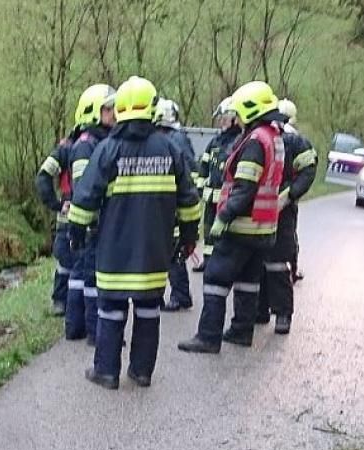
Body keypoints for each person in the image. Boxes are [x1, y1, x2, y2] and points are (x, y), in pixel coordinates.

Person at [68, 76, 201, 389]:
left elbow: (86, 196)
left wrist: (76, 230)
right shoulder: (170, 149)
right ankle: (141, 372)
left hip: (114, 249)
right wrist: (189, 236)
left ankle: (106, 371)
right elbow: (189, 200)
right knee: (148, 310)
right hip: (155, 251)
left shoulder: (107, 149)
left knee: (111, 309)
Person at [178, 81, 287, 354]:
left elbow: (244, 188)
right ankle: (241, 330)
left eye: (238, 113)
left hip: (242, 226)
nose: (235, 119)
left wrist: (222, 217)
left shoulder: (254, 142)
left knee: (216, 278)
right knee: (248, 280)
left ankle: (208, 337)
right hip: (264, 228)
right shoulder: (273, 136)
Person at [256, 98, 317, 334]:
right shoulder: (259, 136)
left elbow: (308, 169)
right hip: (258, 209)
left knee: (277, 263)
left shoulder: (293, 140)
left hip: (282, 210)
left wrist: (289, 195)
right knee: (257, 263)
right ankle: (259, 311)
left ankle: (282, 314)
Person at [64, 84, 116, 343]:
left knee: (81, 274)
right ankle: (93, 332)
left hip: (95, 222)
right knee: (90, 276)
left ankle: (77, 328)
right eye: (108, 109)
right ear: (93, 112)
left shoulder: (100, 141)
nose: (114, 114)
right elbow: (84, 190)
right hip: (91, 222)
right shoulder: (86, 145)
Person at [34, 108, 83, 316]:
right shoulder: (65, 151)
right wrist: (55, 203)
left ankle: (72, 304)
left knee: (79, 262)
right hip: (67, 214)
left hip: (86, 214)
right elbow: (43, 175)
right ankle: (60, 300)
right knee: (65, 260)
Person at [153, 98, 196, 312]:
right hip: (172, 202)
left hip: (173, 204)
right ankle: (175, 294)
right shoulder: (174, 138)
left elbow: (186, 173)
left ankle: (180, 295)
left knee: (172, 251)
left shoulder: (173, 139)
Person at [192, 98, 242, 272]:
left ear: (234, 118)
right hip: (210, 197)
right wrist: (199, 187)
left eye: (224, 118)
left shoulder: (239, 141)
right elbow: (204, 166)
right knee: (208, 231)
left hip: (227, 199)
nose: (221, 122)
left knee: (226, 232)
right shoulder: (215, 142)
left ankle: (226, 264)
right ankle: (208, 260)